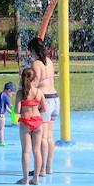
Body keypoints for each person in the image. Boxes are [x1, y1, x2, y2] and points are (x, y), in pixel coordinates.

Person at [28, 37, 57, 175]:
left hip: (45, 100)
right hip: (55, 99)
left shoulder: (36, 64)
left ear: (33, 50)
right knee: (50, 137)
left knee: (43, 138)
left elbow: (34, 86)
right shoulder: (50, 61)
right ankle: (49, 167)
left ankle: (42, 169)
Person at [15, 68, 45, 185]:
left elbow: (17, 111)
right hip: (37, 122)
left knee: (26, 152)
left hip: (25, 122)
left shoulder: (20, 93)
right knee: (36, 151)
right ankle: (36, 178)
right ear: (34, 78)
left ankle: (26, 179)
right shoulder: (39, 92)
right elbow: (44, 108)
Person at [0, 81, 15, 147]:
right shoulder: (6, 96)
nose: (12, 96)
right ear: (9, 90)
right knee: (1, 129)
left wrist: (11, 113)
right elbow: (11, 106)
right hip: (0, 115)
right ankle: (1, 142)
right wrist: (17, 111)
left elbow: (5, 107)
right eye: (12, 94)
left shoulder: (1, 95)